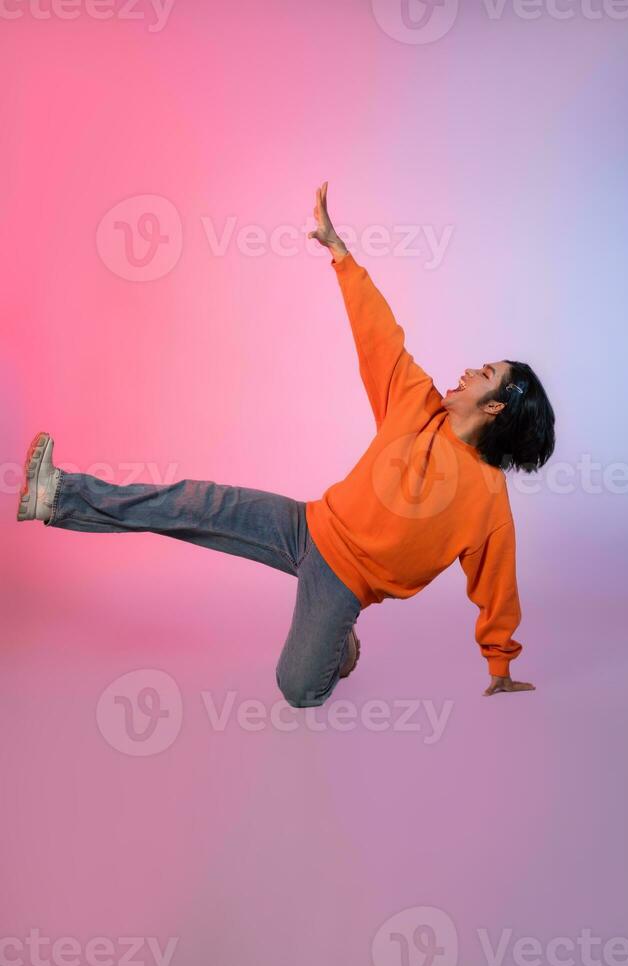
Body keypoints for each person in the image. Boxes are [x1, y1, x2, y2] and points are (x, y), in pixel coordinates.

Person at [17, 181, 555, 703]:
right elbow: (379, 334)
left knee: (297, 691)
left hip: (346, 583)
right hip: (305, 525)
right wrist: (340, 254)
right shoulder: (416, 402)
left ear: (495, 406)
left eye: (485, 373)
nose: (468, 371)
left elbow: (496, 584)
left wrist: (500, 662)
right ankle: (58, 494)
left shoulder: (487, 501)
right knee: (188, 501)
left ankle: (338, 648)